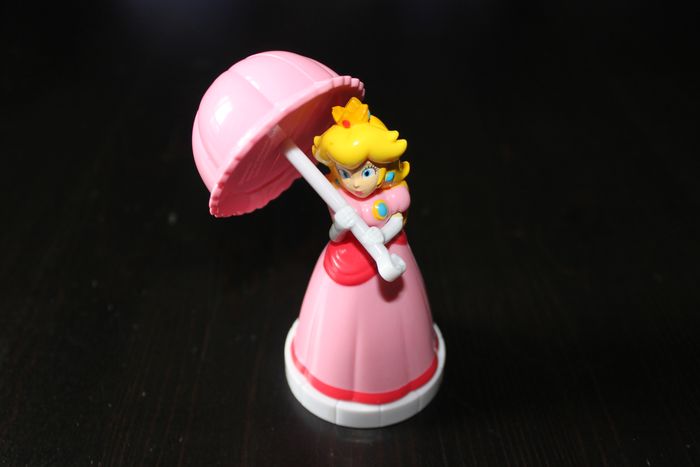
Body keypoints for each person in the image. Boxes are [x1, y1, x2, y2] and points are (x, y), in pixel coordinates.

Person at [288, 97, 440, 408]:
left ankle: (395, 375)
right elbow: (334, 235)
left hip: (391, 258)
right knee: (337, 319)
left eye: (365, 172)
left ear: (383, 166)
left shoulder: (394, 194)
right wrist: (339, 226)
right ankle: (328, 373)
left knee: (394, 323)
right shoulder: (338, 198)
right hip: (342, 264)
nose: (355, 184)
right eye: (346, 174)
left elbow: (396, 220)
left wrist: (382, 235)